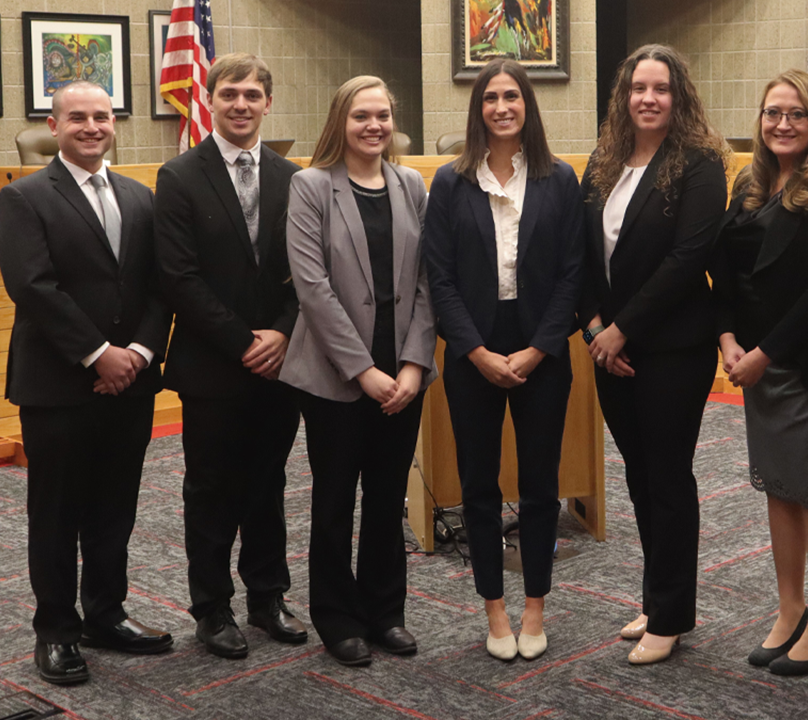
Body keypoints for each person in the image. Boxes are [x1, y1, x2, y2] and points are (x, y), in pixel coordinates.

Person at [0, 80, 174, 685]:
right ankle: (56, 631)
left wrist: (140, 355)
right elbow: (33, 287)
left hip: (132, 383)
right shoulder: (24, 197)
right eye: (78, 117)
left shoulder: (140, 196)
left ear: (115, 123)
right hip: (59, 384)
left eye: (102, 116)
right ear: (54, 125)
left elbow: (157, 286)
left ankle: (105, 614)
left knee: (114, 508)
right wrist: (99, 355)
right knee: (57, 513)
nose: (92, 126)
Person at [425, 59, 584, 662]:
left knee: (542, 486)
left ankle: (536, 607)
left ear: (527, 106)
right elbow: (439, 279)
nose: (501, 107)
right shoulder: (450, 181)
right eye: (490, 98)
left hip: (542, 344)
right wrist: (478, 352)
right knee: (479, 486)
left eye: (511, 97)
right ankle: (494, 609)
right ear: (477, 109)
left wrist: (539, 348)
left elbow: (573, 274)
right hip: (473, 349)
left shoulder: (558, 179)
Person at [577, 44, 729, 665]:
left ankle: (672, 615)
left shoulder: (699, 163)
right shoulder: (605, 159)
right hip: (609, 350)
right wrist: (592, 329)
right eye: (638, 87)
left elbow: (686, 260)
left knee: (667, 478)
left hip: (671, 349)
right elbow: (580, 252)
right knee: (639, 478)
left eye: (660, 88)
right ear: (624, 95)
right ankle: (657, 596)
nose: (648, 98)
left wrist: (622, 330)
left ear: (678, 95)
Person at [155, 53, 308, 659]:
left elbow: (310, 273)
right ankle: (212, 609)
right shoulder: (179, 176)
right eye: (229, 95)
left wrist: (285, 332)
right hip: (214, 365)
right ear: (209, 101)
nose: (240, 105)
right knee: (212, 489)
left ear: (268, 103)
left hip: (281, 362)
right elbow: (176, 276)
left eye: (251, 95)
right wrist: (244, 341)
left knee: (270, 484)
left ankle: (268, 597)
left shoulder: (295, 178)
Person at [281, 76, 435, 667]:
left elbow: (427, 280)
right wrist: (364, 371)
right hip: (334, 379)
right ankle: (337, 618)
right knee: (336, 499)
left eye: (383, 116)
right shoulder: (311, 186)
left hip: (406, 375)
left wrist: (416, 363)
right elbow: (313, 289)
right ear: (339, 121)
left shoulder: (412, 183)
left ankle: (384, 612)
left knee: (387, 497)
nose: (374, 126)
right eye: (361, 116)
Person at [711, 70, 808, 676]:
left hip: (804, 364)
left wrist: (761, 355)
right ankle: (790, 607)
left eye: (796, 114)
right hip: (754, 364)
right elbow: (721, 270)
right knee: (778, 486)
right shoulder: (749, 182)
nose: (782, 124)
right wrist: (726, 339)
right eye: (773, 112)